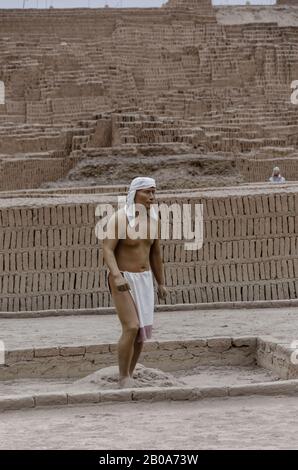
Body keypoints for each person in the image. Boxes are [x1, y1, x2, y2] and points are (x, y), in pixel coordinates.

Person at [103, 177, 167, 388]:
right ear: (135, 193)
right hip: (123, 278)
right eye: (147, 192)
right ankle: (123, 377)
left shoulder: (154, 220)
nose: (151, 197)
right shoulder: (121, 219)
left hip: (145, 279)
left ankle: (129, 374)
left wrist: (161, 282)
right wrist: (116, 275)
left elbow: (155, 254)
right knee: (131, 327)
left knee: (141, 333)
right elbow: (107, 249)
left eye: (154, 192)